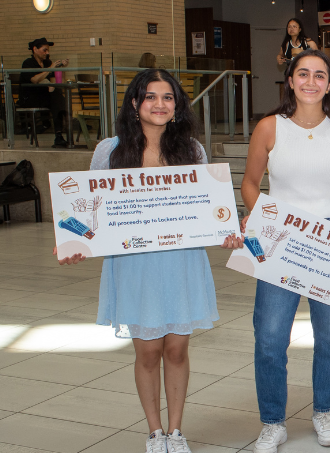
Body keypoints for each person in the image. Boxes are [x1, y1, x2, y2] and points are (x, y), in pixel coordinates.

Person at [56, 68, 243, 453]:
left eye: (168, 97)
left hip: (181, 261)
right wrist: (75, 242)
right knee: (148, 352)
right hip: (134, 263)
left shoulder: (192, 150)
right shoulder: (109, 151)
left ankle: (176, 432)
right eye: (151, 97)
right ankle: (154, 433)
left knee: (176, 349)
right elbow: (90, 210)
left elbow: (209, 211)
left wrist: (224, 232)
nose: (160, 104)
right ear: (135, 103)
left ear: (177, 106)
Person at [240, 49, 330, 452]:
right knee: (270, 336)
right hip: (283, 237)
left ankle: (323, 411)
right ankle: (273, 421)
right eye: (303, 74)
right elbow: (249, 183)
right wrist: (259, 217)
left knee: (329, 336)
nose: (310, 81)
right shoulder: (269, 127)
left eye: (319, 75)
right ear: (290, 81)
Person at [18, 37, 69, 147]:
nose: (47, 53)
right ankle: (66, 124)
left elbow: (56, 83)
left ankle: (59, 134)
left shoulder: (47, 63)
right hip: (30, 98)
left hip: (44, 96)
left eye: (48, 50)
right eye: (44, 50)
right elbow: (35, 80)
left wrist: (61, 69)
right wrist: (51, 68)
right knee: (57, 99)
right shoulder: (28, 63)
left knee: (57, 95)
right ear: (35, 49)